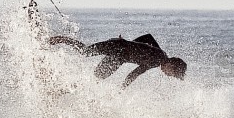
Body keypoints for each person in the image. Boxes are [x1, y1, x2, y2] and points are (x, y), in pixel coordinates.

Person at [48, 34, 187, 88]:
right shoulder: (157, 59)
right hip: (117, 47)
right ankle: (60, 39)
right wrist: (122, 88)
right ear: (172, 64)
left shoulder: (161, 54)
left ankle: (63, 88)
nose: (168, 75)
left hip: (119, 57)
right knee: (85, 52)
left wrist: (132, 44)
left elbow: (148, 38)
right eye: (171, 73)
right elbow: (136, 73)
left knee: (97, 77)